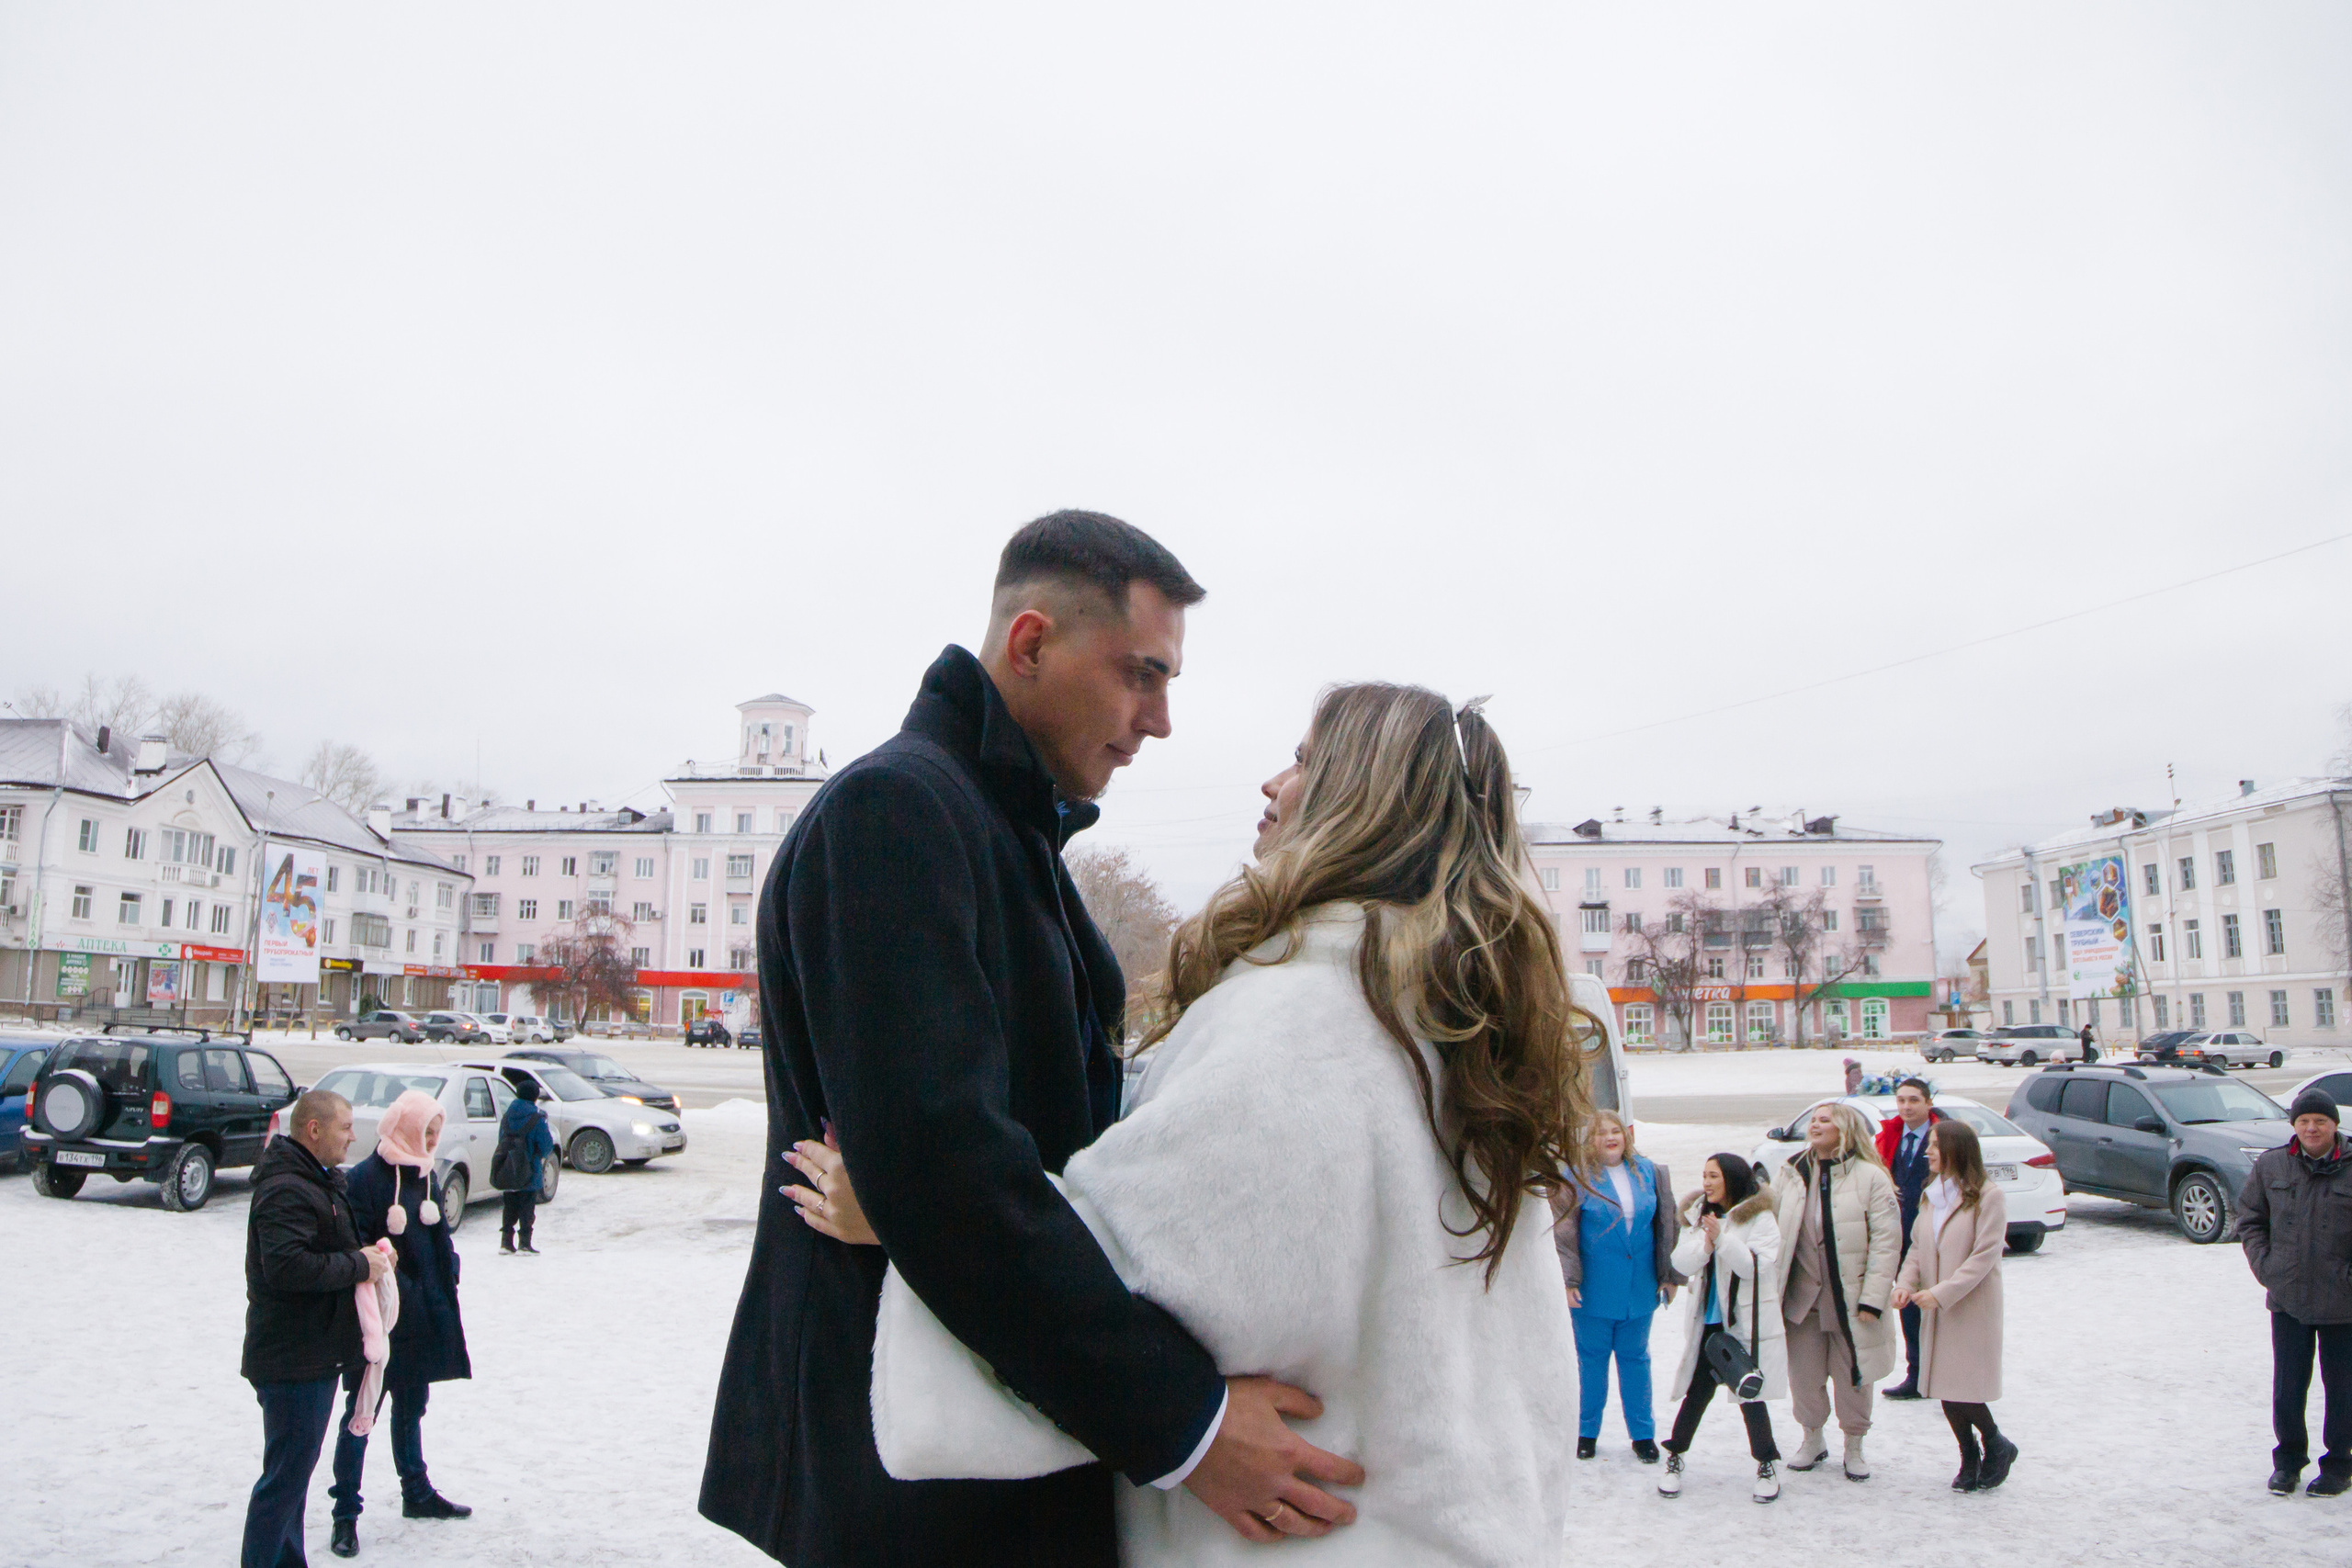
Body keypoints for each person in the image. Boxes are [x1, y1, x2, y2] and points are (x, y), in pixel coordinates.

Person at [703, 513, 1362, 1567]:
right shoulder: (896, 813)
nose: (1159, 720)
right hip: (911, 1486)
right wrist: (1183, 1425)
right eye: (1140, 675)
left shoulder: (1004, 825)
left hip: (997, 1438)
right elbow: (949, 1179)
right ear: (1030, 644)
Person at [831, 681, 1590, 1561]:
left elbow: (1110, 1288)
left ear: (1361, 797)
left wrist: (910, 1215)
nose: (1272, 784)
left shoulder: (1300, 1023)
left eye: (1304, 761)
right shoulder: (1453, 1025)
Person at [242, 1089, 394, 1568]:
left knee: (293, 1480)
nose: (353, 1137)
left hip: (314, 1352)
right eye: (345, 1127)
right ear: (314, 1129)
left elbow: (326, 1248)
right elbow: (285, 1267)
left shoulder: (318, 1181)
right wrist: (358, 1264)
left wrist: (372, 1256)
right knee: (283, 1482)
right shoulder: (287, 1187)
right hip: (292, 1358)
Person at [328, 1089, 472, 1557]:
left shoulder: (424, 1176)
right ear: (403, 1126)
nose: (431, 1141)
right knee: (361, 1416)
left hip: (424, 1318)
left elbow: (439, 1236)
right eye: (424, 1132)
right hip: (382, 1325)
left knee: (412, 1409)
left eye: (435, 1133)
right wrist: (404, 1294)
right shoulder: (367, 1180)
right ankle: (345, 1515)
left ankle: (417, 1492)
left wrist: (450, 1267)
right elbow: (361, 1248)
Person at [1772, 1103, 1899, 1482]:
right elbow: (1770, 1223)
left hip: (1851, 1301)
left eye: (1824, 1120)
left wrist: (1874, 1298)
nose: (1815, 1125)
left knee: (1853, 1376)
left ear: (1845, 1128)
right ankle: (1812, 1439)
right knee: (1805, 1376)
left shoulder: (1870, 1177)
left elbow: (1887, 1242)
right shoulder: (1792, 1172)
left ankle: (1855, 1446)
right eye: (1812, 1120)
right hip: (1803, 1298)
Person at [2236, 1086, 2352, 1496]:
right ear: (2294, 1126)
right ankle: (2287, 1463)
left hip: (2343, 1301)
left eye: (2320, 1121)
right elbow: (2250, 1219)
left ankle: (2339, 1465)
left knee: (2343, 1388)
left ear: (2335, 1125)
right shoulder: (2272, 1167)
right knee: (2287, 1387)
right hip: (2288, 1297)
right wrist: (2267, 1268)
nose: (2311, 1128)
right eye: (2303, 1121)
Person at [1892, 1119, 2017, 1491]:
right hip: (1935, 1305)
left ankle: (1995, 1442)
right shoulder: (1932, 1193)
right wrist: (1905, 1283)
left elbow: (1983, 1257)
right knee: (1945, 1385)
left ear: (1956, 1150)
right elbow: (1917, 1246)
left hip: (1970, 1308)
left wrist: (1941, 1293)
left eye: (1934, 1144)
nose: (1927, 1151)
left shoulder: (1988, 1196)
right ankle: (1969, 1454)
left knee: (1966, 1387)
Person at [1658, 1153, 1786, 1504]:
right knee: (1697, 1391)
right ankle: (1675, 1456)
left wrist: (1724, 1240)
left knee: (1750, 1393)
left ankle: (1766, 1463)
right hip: (1708, 1323)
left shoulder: (1759, 1217)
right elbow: (1680, 1261)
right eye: (1704, 1175)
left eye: (1714, 1175)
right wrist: (1706, 1242)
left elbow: (1755, 1268)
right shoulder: (1697, 1214)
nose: (1707, 1182)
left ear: (1731, 1177)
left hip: (1743, 1323)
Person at [1554, 1110, 1680, 1463]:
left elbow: (1666, 1224)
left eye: (1615, 1131)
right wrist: (1567, 1281)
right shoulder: (1575, 1176)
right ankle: (1586, 1432)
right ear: (1588, 1140)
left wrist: (1669, 1275)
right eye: (1599, 1133)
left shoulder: (1648, 1172)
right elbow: (1563, 1234)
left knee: (1636, 1360)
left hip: (1639, 1288)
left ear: (1626, 1136)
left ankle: (1642, 1435)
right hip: (1592, 1289)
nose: (1609, 1138)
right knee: (1591, 1362)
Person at [1875, 1077, 1945, 1400]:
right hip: (1900, 1236)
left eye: (1914, 1100)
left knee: (1940, 1304)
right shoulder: (1888, 1137)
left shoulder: (1944, 1136)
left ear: (1928, 1103)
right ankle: (1916, 1374)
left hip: (1937, 1236)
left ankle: (1945, 1372)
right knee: (1909, 1305)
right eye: (1901, 1100)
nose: (1906, 1107)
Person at [496, 1077, 554, 1255]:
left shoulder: (507, 1116)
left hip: (508, 1167)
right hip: (529, 1169)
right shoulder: (537, 1118)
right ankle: (524, 1244)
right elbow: (546, 1146)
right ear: (535, 1097)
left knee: (509, 1205)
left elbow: (501, 1139)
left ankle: (506, 1243)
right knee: (527, 1207)